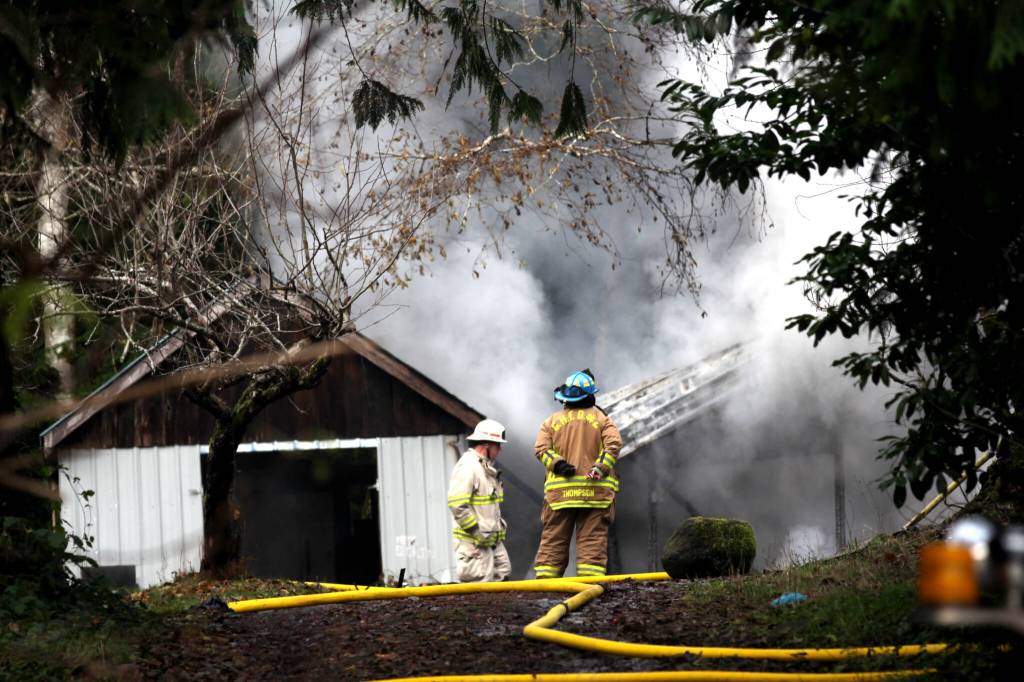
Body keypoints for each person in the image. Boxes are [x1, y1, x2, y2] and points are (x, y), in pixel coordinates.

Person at [533, 369, 622, 578]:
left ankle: (545, 588)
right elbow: (614, 445)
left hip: (560, 497)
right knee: (592, 544)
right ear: (591, 395)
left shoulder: (551, 422)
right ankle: (588, 590)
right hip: (594, 496)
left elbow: (541, 450)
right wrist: (599, 468)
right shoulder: (602, 420)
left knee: (553, 542)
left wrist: (558, 465)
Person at [447, 418, 512, 582]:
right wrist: (476, 532)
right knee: (479, 590)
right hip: (473, 545)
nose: (501, 449)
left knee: (503, 574)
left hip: (491, 542)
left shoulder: (485, 468)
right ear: (487, 446)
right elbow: (457, 505)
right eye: (498, 445)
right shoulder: (468, 467)